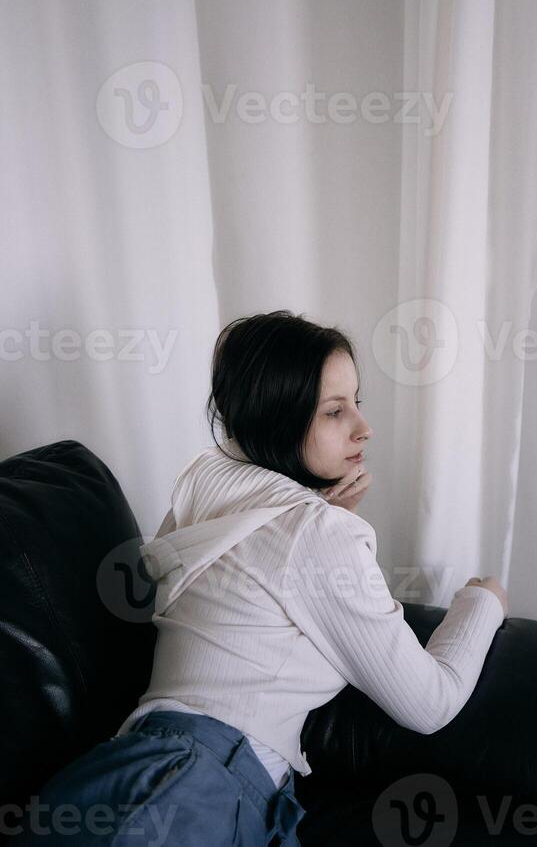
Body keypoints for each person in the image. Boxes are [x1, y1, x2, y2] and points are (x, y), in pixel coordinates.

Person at [15, 310, 508, 846]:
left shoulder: (205, 477)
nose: (364, 429)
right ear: (278, 418)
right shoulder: (316, 533)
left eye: (357, 403)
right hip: (190, 780)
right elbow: (429, 704)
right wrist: (481, 603)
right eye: (334, 412)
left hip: (150, 768)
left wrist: (321, 513)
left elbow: (243, 570)